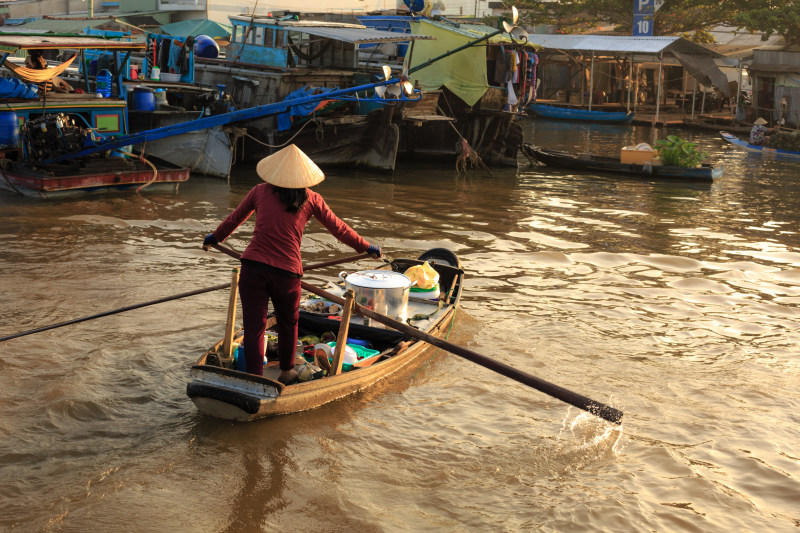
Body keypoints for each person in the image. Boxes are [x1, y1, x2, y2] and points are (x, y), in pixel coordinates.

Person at [202, 144, 381, 385]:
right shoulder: (311, 198)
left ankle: (254, 379)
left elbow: (234, 219)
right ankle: (286, 371)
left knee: (254, 326)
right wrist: (366, 247)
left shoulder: (259, 191)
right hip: (286, 274)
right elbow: (339, 229)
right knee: (288, 323)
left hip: (252, 268)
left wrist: (215, 238)